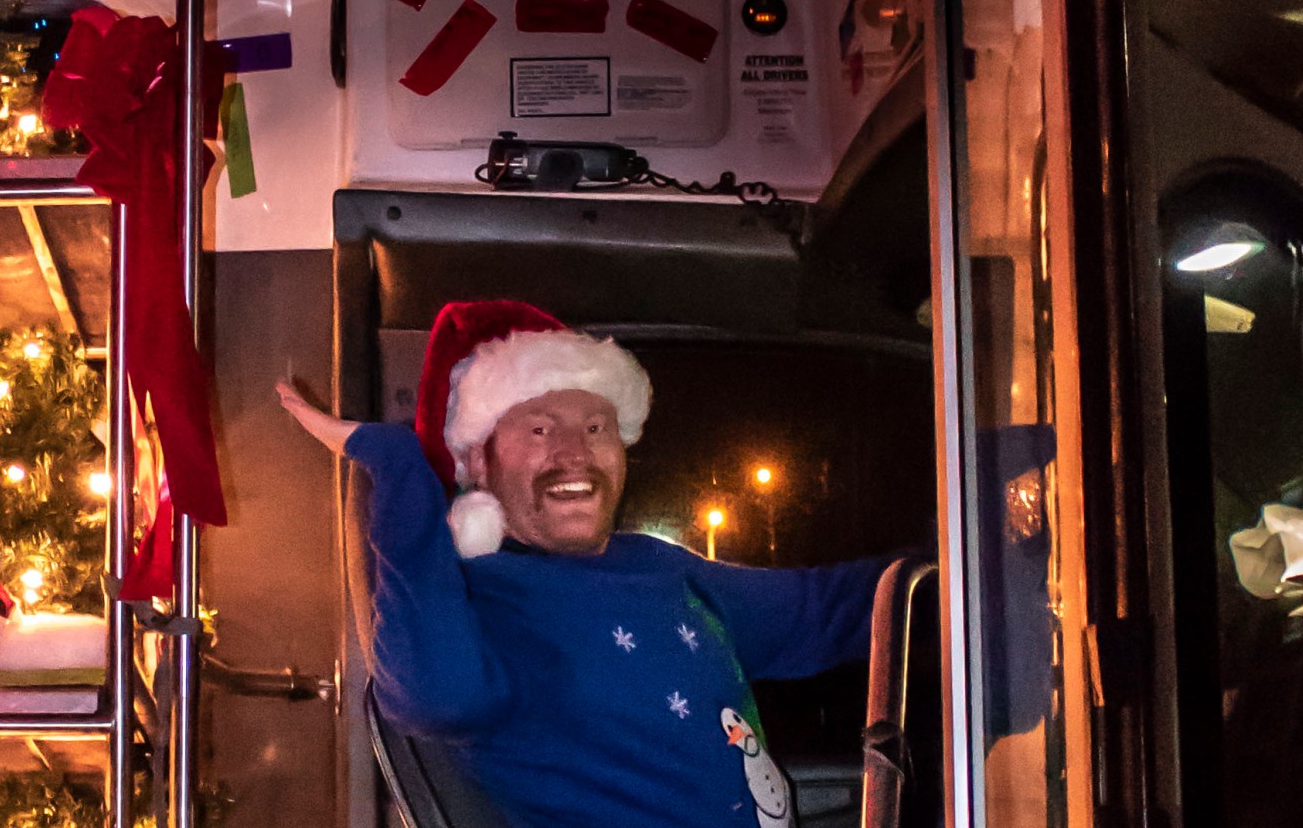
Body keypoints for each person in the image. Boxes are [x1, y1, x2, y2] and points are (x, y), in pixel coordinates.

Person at [278, 299, 889, 828]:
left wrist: (971, 550)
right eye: (540, 430)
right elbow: (437, 700)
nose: (575, 454)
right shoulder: (483, 600)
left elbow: (840, 607)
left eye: (597, 427)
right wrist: (400, 466)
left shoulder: (660, 568)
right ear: (481, 465)